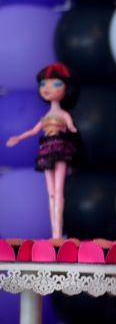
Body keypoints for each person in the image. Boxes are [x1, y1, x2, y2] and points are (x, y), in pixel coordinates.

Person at [5, 63, 79, 239]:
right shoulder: (45, 116)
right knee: (51, 192)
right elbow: (33, 131)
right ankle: (55, 232)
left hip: (61, 149)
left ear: (66, 88)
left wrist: (74, 132)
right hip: (46, 150)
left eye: (56, 84)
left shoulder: (64, 114)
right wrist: (18, 138)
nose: (47, 88)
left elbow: (72, 128)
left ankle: (57, 233)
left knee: (58, 190)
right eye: (44, 84)